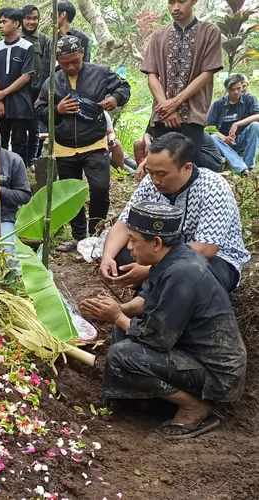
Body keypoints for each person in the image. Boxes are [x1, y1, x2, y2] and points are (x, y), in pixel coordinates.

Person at [81, 202, 246, 440]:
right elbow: (148, 298)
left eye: (133, 240)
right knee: (124, 329)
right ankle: (144, 398)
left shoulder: (183, 273)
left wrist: (117, 316)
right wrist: (122, 309)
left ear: (156, 243)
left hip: (216, 373)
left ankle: (193, 406)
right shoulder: (175, 257)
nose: (129, 247)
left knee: (122, 353)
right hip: (191, 352)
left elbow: (158, 339)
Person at [100, 133, 250, 292]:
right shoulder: (150, 182)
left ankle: (153, 294)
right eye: (151, 172)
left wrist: (150, 270)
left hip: (215, 260)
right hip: (164, 253)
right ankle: (152, 293)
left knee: (189, 273)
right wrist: (107, 257)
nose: (155, 180)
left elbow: (207, 248)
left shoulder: (213, 187)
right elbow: (125, 223)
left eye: (162, 174)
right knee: (122, 255)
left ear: (187, 167)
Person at [36, 35, 130, 252]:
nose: (70, 66)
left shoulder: (100, 72)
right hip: (64, 146)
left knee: (99, 188)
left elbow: (123, 87)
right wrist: (57, 110)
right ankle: (79, 237)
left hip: (94, 142)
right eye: (64, 62)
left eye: (75, 61)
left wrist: (115, 99)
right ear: (58, 60)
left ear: (82, 55)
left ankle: (96, 235)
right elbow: (40, 111)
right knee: (72, 194)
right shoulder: (52, 81)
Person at [140, 0, 222, 153]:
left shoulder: (210, 32)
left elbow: (207, 74)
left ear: (194, 1)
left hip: (192, 115)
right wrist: (167, 107)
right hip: (162, 115)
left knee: (186, 164)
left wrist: (175, 103)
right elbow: (152, 74)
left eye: (182, 2)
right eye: (171, 3)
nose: (175, 7)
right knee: (161, 164)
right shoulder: (158, 35)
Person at [0, 7, 35, 168]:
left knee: (19, 140)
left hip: (20, 102)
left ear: (16, 23)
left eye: (5, 22)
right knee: (0, 140)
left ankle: (20, 172)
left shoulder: (27, 47)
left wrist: (3, 93)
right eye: (0, 22)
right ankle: (1, 171)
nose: (1, 25)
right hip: (0, 102)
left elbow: (26, 76)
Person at [207, 74, 259, 175]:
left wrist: (236, 124)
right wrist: (222, 137)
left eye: (238, 88)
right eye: (232, 89)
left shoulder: (249, 99)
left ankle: (249, 166)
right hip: (224, 143)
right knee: (213, 137)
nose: (236, 92)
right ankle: (242, 169)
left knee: (255, 126)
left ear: (242, 87)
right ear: (227, 89)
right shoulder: (218, 104)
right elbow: (208, 127)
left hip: (241, 139)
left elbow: (257, 115)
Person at [22, 4, 50, 160]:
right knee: (18, 127)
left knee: (34, 127)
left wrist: (42, 93)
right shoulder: (15, 37)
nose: (31, 22)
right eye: (28, 18)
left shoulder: (44, 39)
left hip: (37, 90)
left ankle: (32, 159)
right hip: (19, 90)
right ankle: (20, 160)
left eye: (35, 19)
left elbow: (46, 67)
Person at [135, 126, 222, 175]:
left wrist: (142, 164)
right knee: (139, 143)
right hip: (190, 151)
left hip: (210, 160)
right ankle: (146, 175)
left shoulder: (186, 122)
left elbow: (174, 148)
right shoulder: (159, 117)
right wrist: (147, 143)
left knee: (174, 153)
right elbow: (148, 132)